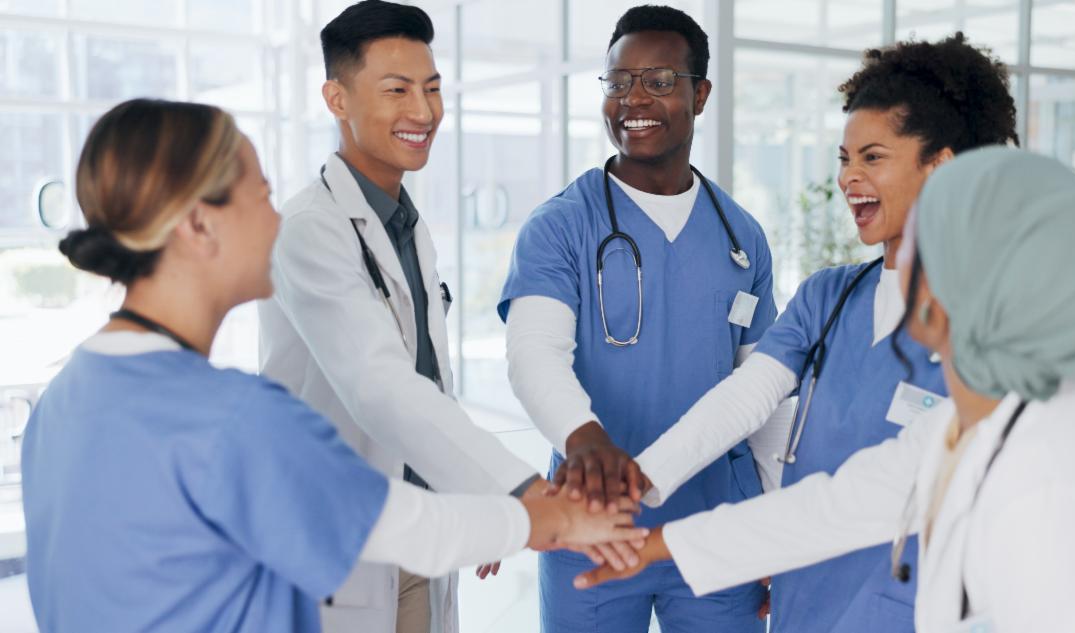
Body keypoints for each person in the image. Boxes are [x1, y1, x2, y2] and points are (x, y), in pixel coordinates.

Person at [20, 98, 645, 633]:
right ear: (198, 225)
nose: (275, 217)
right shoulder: (230, 417)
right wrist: (556, 517)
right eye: (260, 194)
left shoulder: (64, 396)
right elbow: (410, 528)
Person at [577, 147, 1075, 633]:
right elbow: (833, 506)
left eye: (930, 239)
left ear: (983, 288)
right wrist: (649, 544)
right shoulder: (983, 416)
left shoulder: (1052, 482)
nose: (901, 260)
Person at [624, 33, 1018, 633]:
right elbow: (744, 400)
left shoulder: (994, 326)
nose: (848, 178)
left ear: (939, 165)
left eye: (873, 157)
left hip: (909, 603)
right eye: (843, 158)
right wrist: (638, 482)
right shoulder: (829, 296)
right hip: (805, 588)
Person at [256, 3, 566, 631]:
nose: (423, 113)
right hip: (340, 542)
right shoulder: (308, 231)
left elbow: (427, 382)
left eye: (431, 90)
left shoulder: (405, 222)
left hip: (417, 535)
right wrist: (515, 493)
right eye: (396, 91)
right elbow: (380, 385)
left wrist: (469, 501)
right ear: (336, 99)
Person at [499, 6, 786, 632]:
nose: (633, 99)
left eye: (658, 81)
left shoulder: (742, 237)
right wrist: (582, 436)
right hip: (592, 522)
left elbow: (763, 391)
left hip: (718, 527)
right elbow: (533, 352)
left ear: (700, 94)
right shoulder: (560, 226)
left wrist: (774, 525)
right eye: (618, 81)